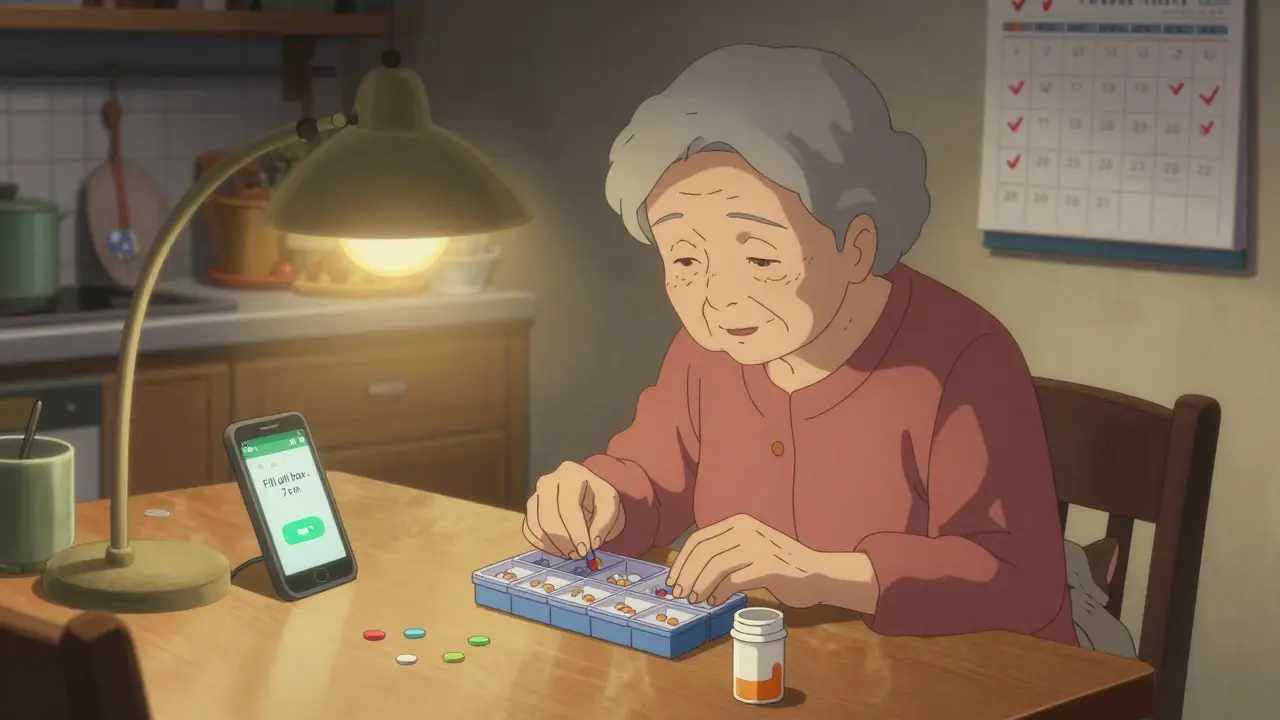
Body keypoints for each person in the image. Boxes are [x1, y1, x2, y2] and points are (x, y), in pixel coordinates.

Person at [523, 44, 1077, 644]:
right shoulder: (707, 352)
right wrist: (599, 496)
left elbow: (1018, 577)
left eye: (760, 256)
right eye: (684, 258)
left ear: (856, 244)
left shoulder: (964, 357)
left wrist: (825, 574)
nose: (720, 297)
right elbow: (651, 477)